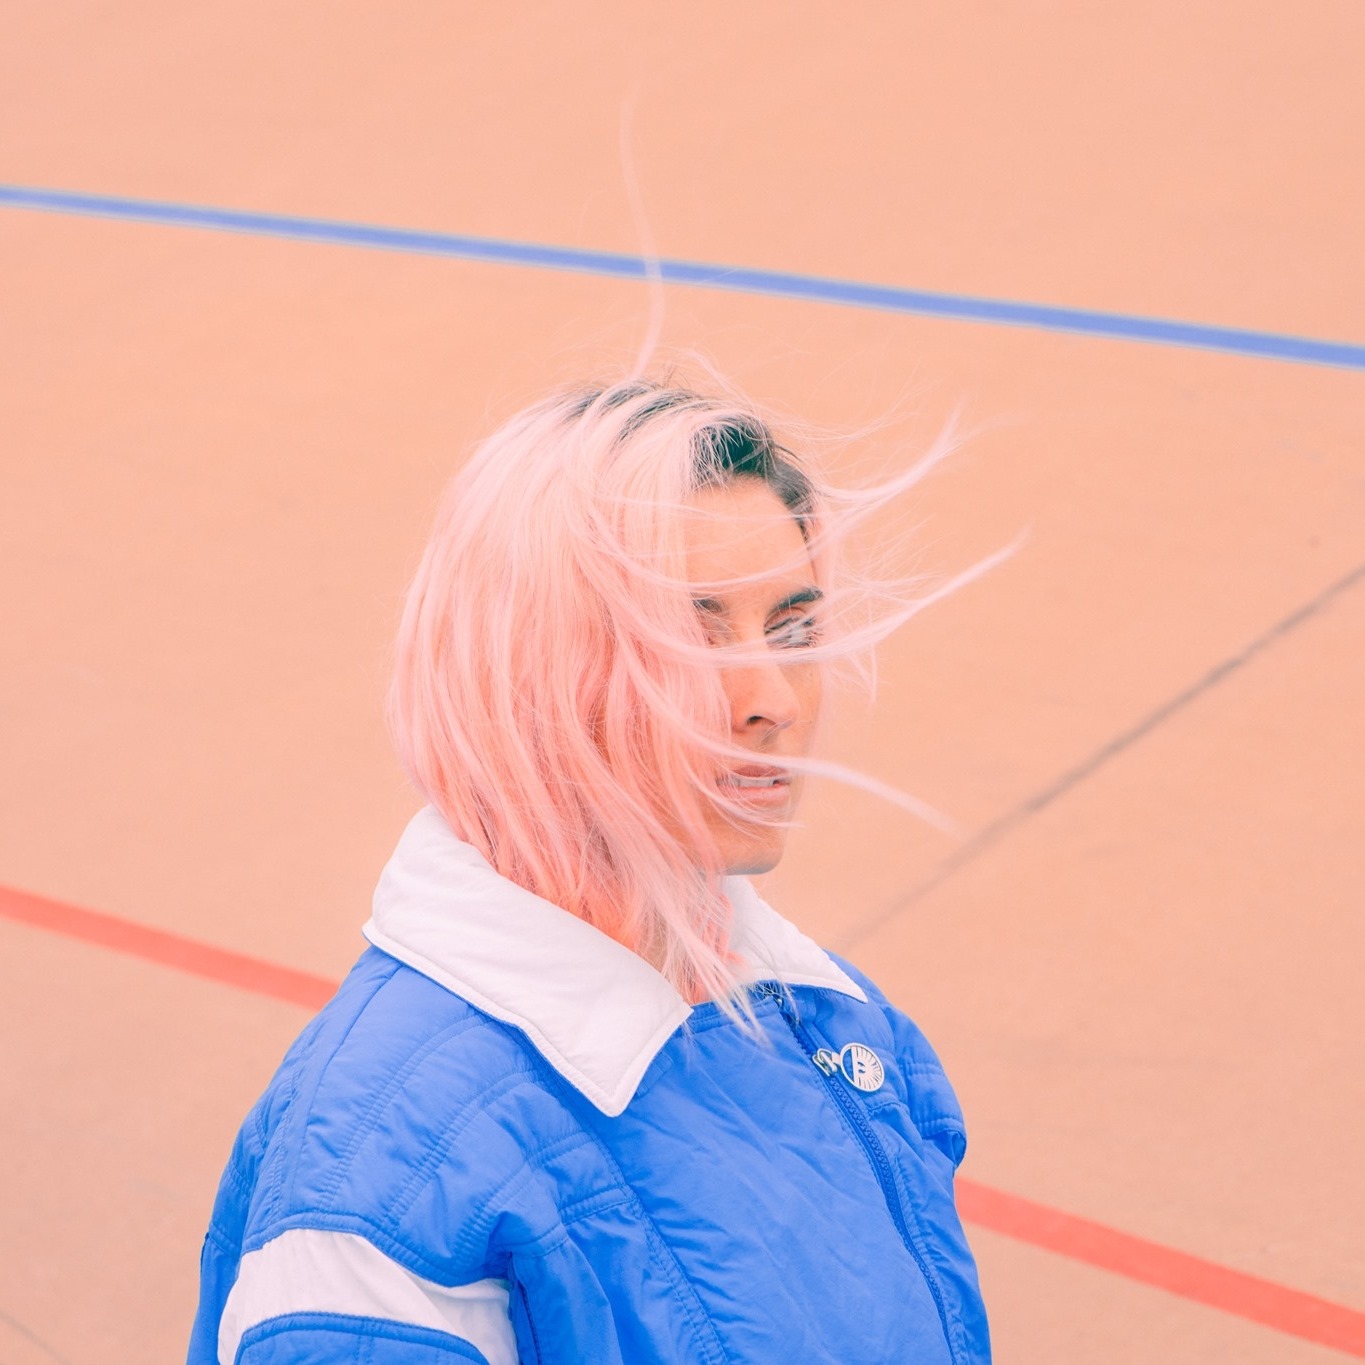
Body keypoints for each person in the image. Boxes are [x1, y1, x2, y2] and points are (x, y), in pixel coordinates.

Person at [188, 378, 992, 1363]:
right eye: (687, 638)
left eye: (790, 629)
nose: (772, 700)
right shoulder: (381, 1189)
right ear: (523, 671)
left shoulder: (843, 1030)